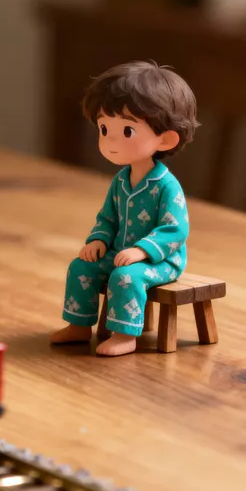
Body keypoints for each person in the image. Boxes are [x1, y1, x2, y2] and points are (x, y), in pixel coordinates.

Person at [51, 60, 199, 356]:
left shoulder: (166, 186)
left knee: (126, 278)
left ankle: (125, 334)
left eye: (127, 131)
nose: (110, 141)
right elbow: (107, 217)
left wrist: (143, 251)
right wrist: (98, 240)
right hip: (119, 252)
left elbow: (175, 229)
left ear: (165, 138)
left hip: (159, 261)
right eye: (105, 128)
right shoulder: (121, 181)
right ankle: (79, 325)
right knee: (82, 267)